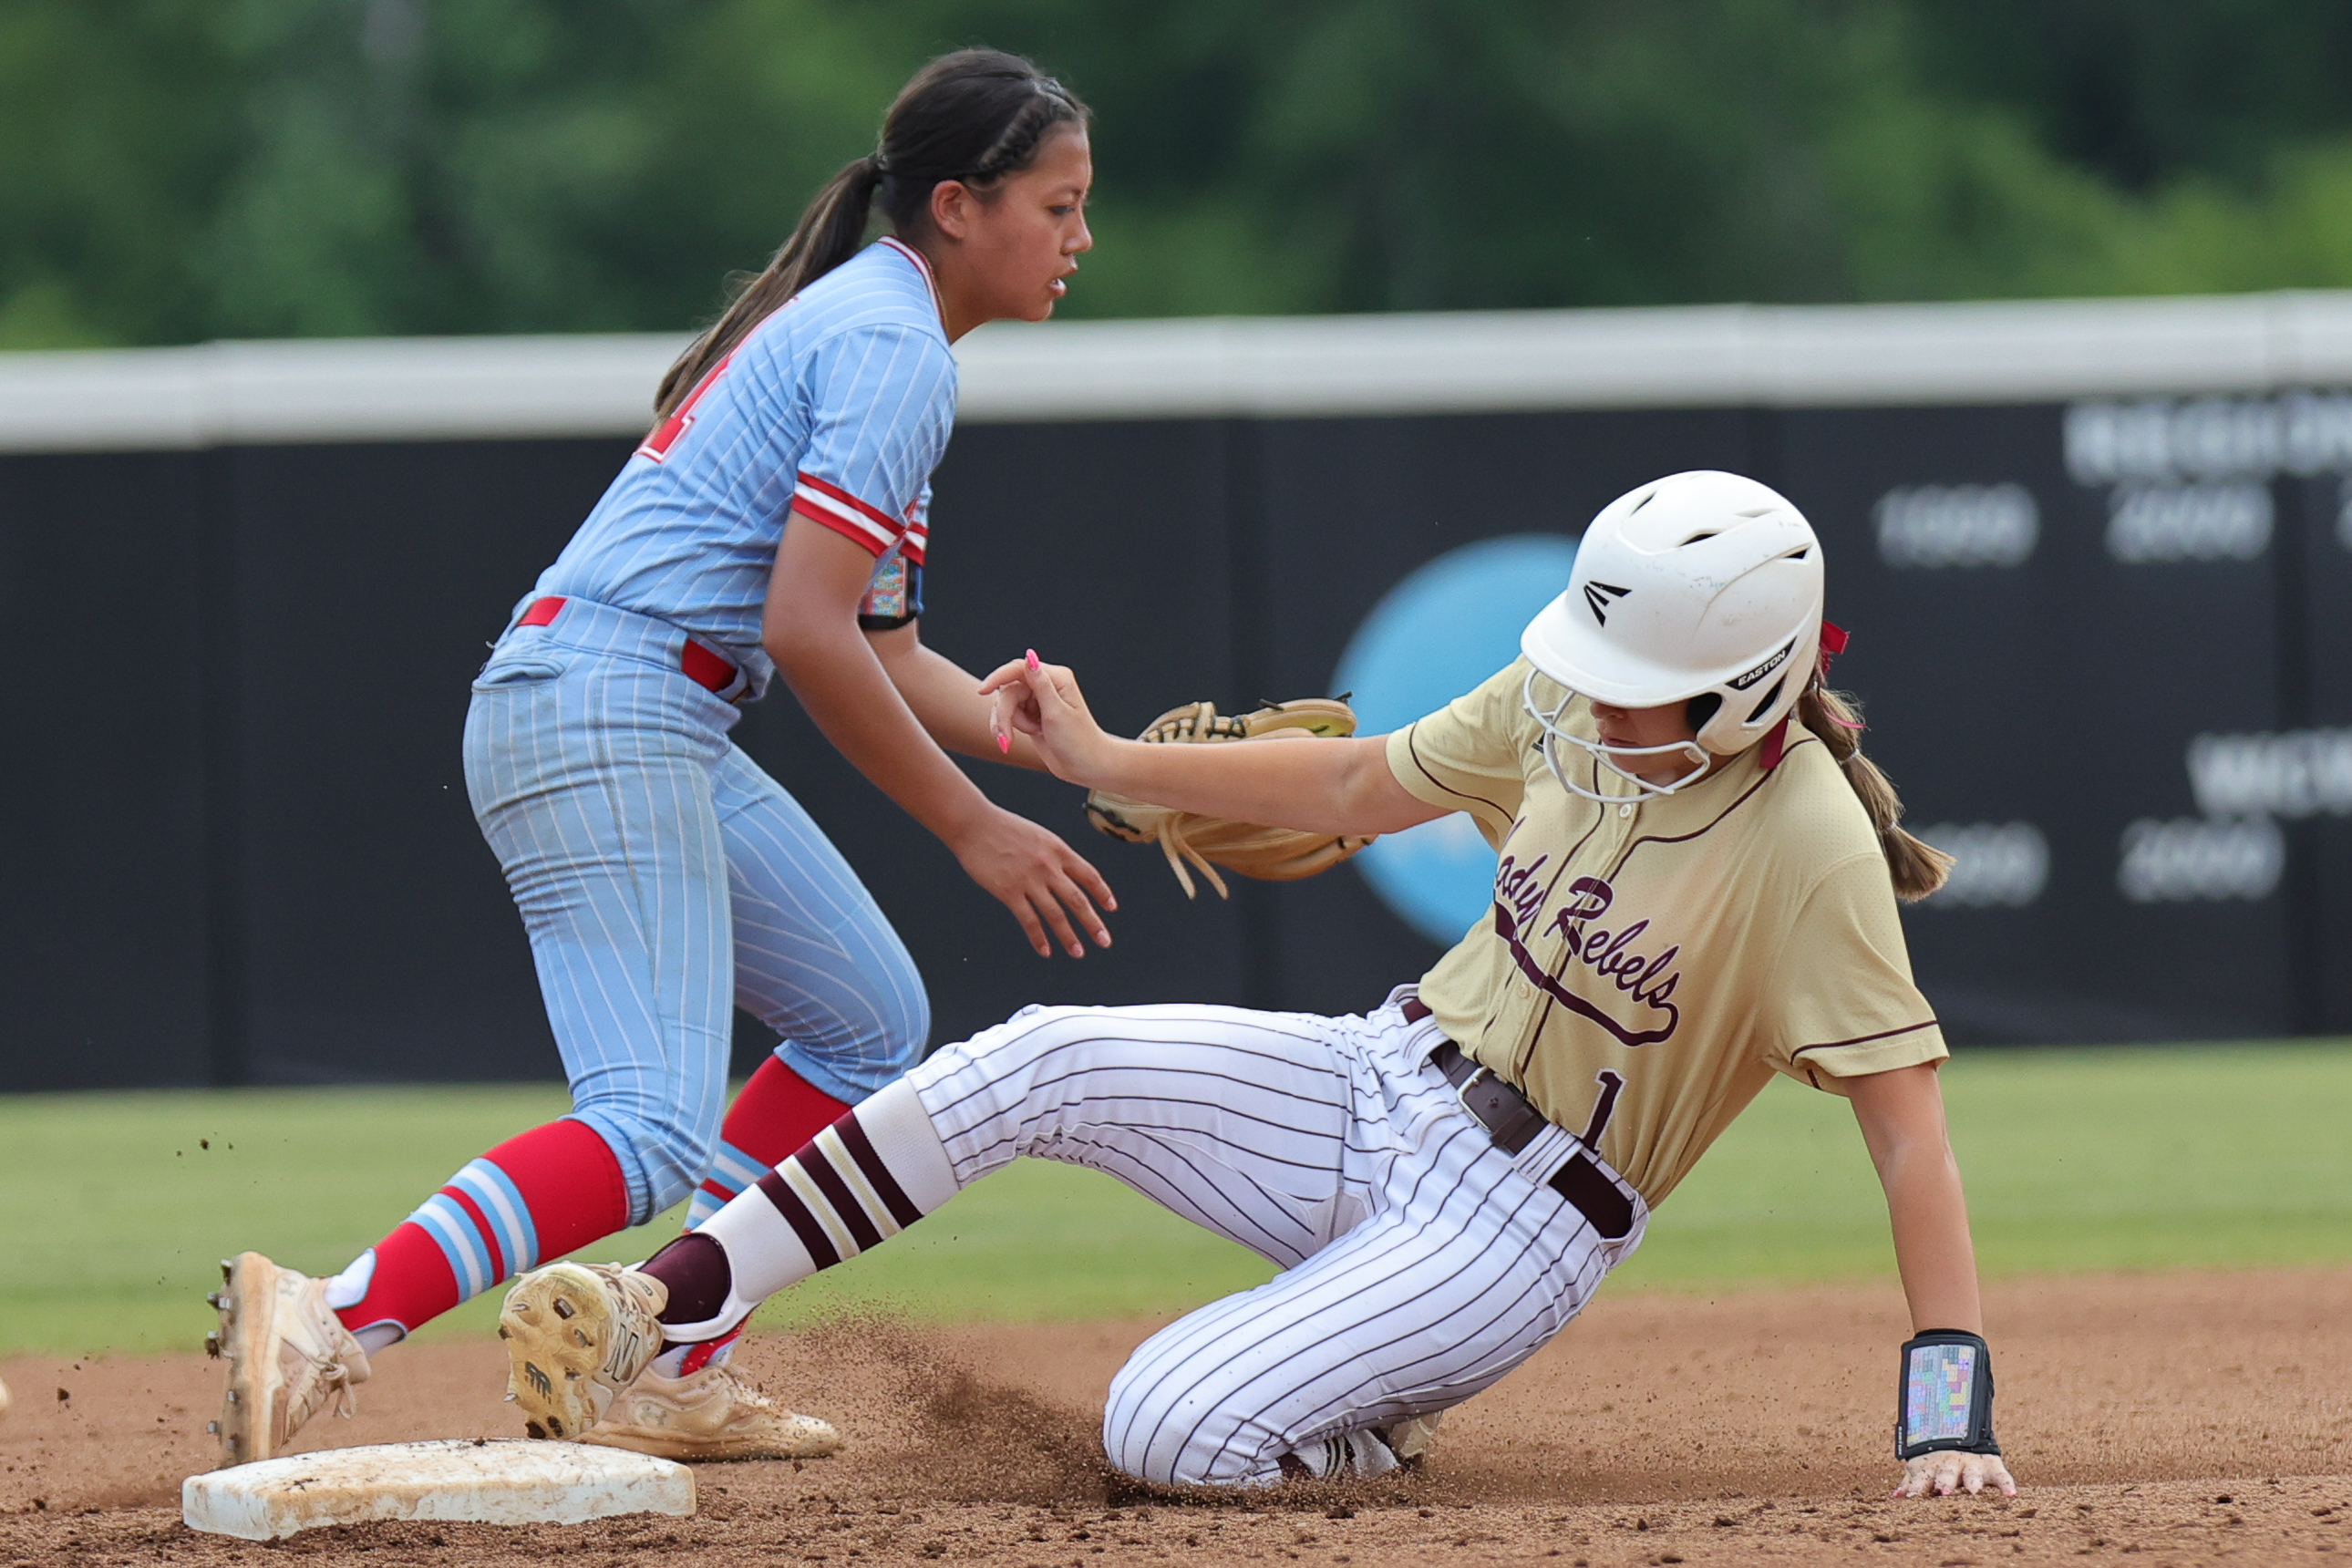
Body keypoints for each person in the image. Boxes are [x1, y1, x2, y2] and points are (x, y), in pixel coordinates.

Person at [496, 470, 2019, 1501]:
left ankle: (1356, 1414)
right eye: (1604, 669)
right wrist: (1096, 760)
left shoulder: (1807, 840)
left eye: (1648, 687)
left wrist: (1946, 1401)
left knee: (1166, 1426)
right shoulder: (1569, 692)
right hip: (1379, 1074)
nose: (1607, 701)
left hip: (1523, 1222)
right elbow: (1362, 778)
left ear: (1751, 682)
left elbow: (1909, 1136)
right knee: (1037, 1056)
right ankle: (659, 1306)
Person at [208, 48, 1118, 1468]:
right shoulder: (888, 348)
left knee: (867, 1020)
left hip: (641, 701)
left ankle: (674, 1357)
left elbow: (882, 648)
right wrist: (971, 826)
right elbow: (807, 634)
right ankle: (329, 1314)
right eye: (1057, 205)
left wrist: (1042, 741)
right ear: (957, 204)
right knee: (643, 1131)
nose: (1079, 238)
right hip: (609, 698)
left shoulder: (882, 331)